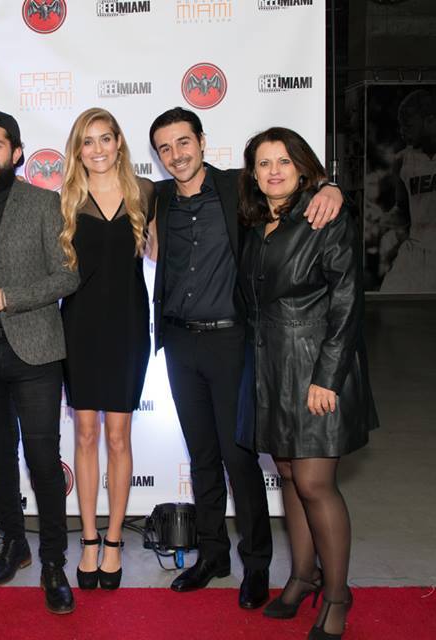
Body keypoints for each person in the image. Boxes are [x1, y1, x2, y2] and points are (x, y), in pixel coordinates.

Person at [149, 107, 343, 609]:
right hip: (179, 342)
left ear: (202, 141)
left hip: (233, 342)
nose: (176, 155)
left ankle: (256, 564)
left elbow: (299, 186)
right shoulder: (159, 196)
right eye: (165, 148)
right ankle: (212, 555)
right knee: (203, 457)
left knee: (240, 460)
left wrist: (332, 187)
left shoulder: (241, 186)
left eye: (183, 143)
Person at [238, 127, 378, 639]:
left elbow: (346, 302)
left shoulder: (325, 216)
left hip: (317, 366)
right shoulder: (256, 224)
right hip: (271, 368)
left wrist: (328, 377)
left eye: (284, 161)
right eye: (263, 163)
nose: (274, 171)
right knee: (291, 479)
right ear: (252, 173)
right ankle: (302, 576)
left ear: (302, 166)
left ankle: (338, 594)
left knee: (317, 483)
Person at [0, 111, 80, 614]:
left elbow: (67, 277)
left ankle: (54, 561)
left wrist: (8, 297)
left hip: (34, 351)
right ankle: (14, 544)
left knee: (44, 460)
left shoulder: (44, 203)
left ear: (16, 153)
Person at [58, 108, 156, 590]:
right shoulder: (65, 199)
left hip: (129, 327)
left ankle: (115, 539)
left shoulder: (146, 192)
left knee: (119, 436)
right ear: (78, 150)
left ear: (119, 142)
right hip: (78, 327)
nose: (97, 149)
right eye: (87, 142)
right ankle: (90, 538)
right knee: (85, 435)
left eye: (105, 139)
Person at [380, 89, 436, 293]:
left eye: (408, 125)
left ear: (430, 121)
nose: (402, 131)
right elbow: (402, 210)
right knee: (386, 307)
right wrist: (383, 223)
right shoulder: (402, 160)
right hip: (416, 252)